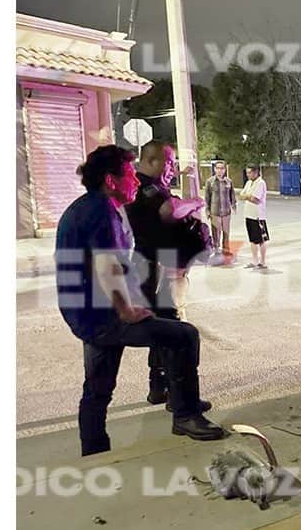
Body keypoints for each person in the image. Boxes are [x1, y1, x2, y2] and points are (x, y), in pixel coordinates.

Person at [54, 145, 225, 456]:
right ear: (111, 180)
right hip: (103, 315)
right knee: (183, 335)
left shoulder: (91, 205)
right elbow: (108, 266)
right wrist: (126, 309)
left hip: (85, 313)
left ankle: (94, 451)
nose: (135, 180)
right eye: (130, 175)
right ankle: (186, 415)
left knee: (98, 388)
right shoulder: (101, 211)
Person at [126, 140, 212, 411]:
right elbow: (170, 210)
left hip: (153, 267)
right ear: (152, 161)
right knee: (177, 332)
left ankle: (159, 387)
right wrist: (195, 202)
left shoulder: (149, 187)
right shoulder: (145, 187)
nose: (172, 169)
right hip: (156, 270)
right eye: (169, 163)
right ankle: (181, 401)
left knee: (162, 329)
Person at [239, 165, 270, 269]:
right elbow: (241, 195)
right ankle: (254, 261)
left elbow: (255, 199)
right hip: (248, 214)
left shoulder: (261, 183)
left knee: (261, 240)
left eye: (249, 173)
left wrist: (247, 196)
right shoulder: (248, 183)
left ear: (256, 172)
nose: (248, 175)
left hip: (258, 216)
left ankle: (263, 261)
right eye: (247, 173)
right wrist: (248, 196)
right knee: (252, 239)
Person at [204, 160, 236, 259]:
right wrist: (207, 211)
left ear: (225, 170)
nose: (219, 170)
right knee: (215, 232)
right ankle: (216, 250)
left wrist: (234, 205)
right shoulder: (210, 182)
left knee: (226, 232)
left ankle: (226, 250)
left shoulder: (228, 181)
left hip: (226, 212)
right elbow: (207, 197)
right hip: (215, 211)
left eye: (221, 168)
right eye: (217, 168)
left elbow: (232, 195)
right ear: (214, 169)